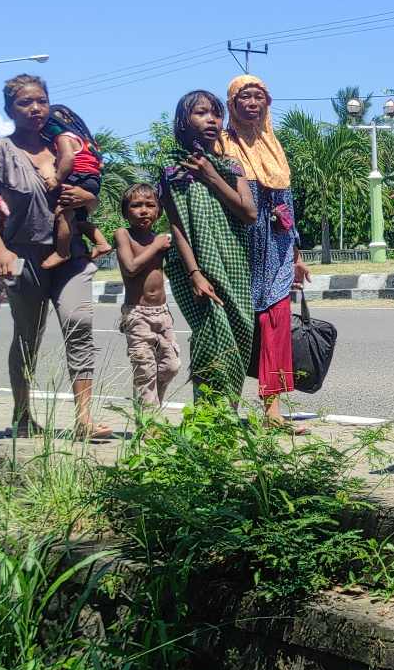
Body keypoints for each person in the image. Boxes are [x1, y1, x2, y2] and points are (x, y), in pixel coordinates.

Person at [0, 74, 106, 440]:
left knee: (79, 322)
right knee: (27, 336)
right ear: (9, 110)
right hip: (20, 254)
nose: (35, 109)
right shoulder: (0, 151)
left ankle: (84, 420)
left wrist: (86, 199)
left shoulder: (66, 145)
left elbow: (92, 196)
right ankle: (23, 414)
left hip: (71, 253)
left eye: (41, 101)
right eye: (25, 103)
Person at [217, 75, 312, 431]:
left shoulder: (274, 146)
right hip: (238, 252)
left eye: (259, 96)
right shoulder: (222, 147)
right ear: (231, 103)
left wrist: (298, 256)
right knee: (236, 330)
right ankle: (225, 409)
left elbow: (286, 207)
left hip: (277, 253)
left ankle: (272, 411)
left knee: (276, 328)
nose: (253, 103)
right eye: (245, 96)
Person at [159, 90, 263, 405]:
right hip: (194, 268)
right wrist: (195, 273)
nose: (211, 120)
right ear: (183, 121)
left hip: (233, 262)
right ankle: (206, 420)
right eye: (201, 113)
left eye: (216, 114)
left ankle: (227, 415)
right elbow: (176, 225)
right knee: (210, 337)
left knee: (239, 336)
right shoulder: (171, 168)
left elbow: (249, 213)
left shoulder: (230, 164)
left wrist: (211, 176)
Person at [115, 183, 181, 410]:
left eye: (150, 205)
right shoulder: (123, 235)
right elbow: (131, 267)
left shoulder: (160, 239)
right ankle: (149, 420)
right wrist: (156, 246)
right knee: (144, 368)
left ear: (158, 211)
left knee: (171, 365)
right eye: (136, 205)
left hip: (162, 314)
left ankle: (151, 403)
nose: (144, 210)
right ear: (126, 212)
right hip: (137, 314)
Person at [41, 103, 112, 270]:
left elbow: (68, 160)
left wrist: (57, 179)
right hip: (92, 180)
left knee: (63, 214)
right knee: (80, 220)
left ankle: (62, 252)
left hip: (78, 178)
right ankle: (102, 243)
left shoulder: (64, 137)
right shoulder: (85, 140)